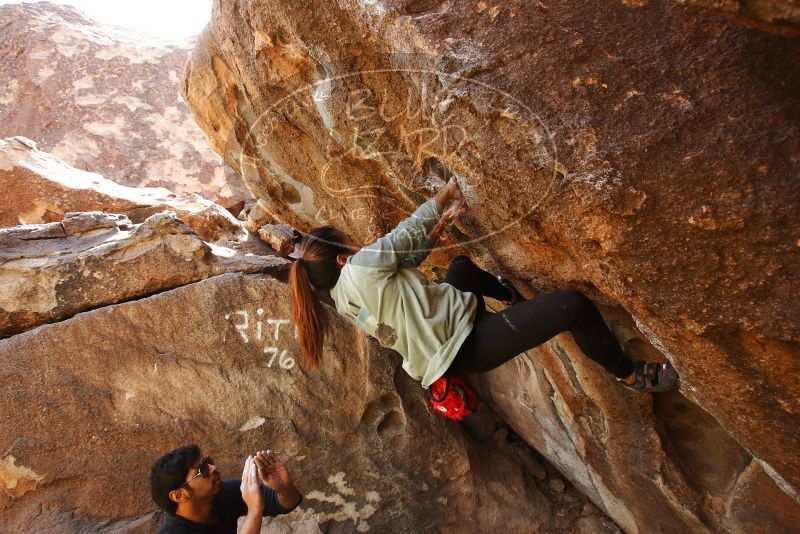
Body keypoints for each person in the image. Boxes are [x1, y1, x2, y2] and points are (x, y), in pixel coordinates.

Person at [289, 176, 677, 393]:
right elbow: (405, 234)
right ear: (341, 257)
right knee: (571, 306)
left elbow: (407, 261)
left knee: (460, 268)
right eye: (348, 242)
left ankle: (508, 294)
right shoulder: (359, 267)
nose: (357, 244)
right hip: (467, 343)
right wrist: (446, 192)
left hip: (444, 343)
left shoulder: (344, 297)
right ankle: (629, 374)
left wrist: (443, 224)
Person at [149, 445, 302, 534]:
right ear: (179, 495)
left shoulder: (223, 494)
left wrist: (284, 488)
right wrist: (254, 510)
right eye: (202, 470)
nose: (214, 468)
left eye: (208, 462)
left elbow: (287, 503)